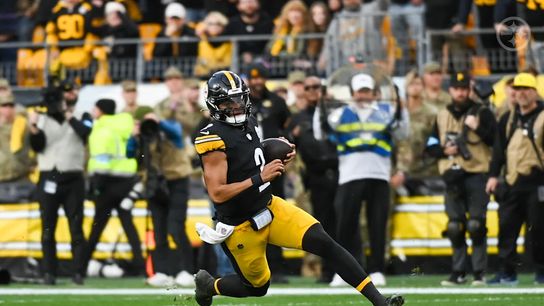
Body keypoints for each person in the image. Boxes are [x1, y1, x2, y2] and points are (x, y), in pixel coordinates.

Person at [192, 70, 404, 306]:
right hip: (242, 225)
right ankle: (209, 286)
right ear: (215, 104)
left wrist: (274, 151)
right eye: (228, 102)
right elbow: (217, 193)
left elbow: (245, 153)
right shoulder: (211, 138)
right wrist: (259, 178)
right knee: (256, 287)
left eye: (239, 99)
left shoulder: (250, 122)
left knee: (325, 242)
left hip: (269, 207)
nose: (236, 106)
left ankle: (380, 302)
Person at [322, 73, 409, 287]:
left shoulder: (387, 112)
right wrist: (320, 105)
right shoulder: (340, 113)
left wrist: (402, 106)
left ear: (374, 93)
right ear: (353, 94)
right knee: (345, 227)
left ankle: (377, 269)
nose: (363, 95)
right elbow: (320, 131)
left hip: (379, 175)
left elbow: (403, 133)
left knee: (378, 225)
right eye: (359, 91)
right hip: (349, 175)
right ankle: (343, 272)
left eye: (367, 91)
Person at [425, 71, 496, 286]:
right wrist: (444, 150)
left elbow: (496, 141)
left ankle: (479, 272)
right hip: (451, 174)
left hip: (477, 173)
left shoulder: (482, 112)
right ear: (451, 90)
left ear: (469, 90)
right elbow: (429, 146)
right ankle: (458, 271)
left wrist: (478, 127)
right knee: (455, 226)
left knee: (476, 224)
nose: (461, 92)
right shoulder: (441, 115)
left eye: (464, 88)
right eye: (457, 88)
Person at [28, 81, 92, 285]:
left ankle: (78, 272)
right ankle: (49, 272)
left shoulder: (83, 114)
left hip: (73, 177)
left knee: (76, 227)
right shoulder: (43, 117)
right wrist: (33, 127)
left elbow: (84, 132)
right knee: (48, 227)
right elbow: (38, 146)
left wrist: (67, 114)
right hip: (49, 176)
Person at [485, 73, 544, 285]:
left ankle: (541, 271)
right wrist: (493, 176)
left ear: (534, 92)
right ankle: (507, 272)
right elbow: (498, 152)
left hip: (537, 181)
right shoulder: (507, 118)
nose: (521, 93)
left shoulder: (543, 115)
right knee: (506, 229)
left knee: (539, 230)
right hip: (511, 181)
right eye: (517, 89)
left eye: (526, 89)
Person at [127, 106, 195, 287]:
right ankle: (162, 271)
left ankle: (187, 270)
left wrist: (158, 123)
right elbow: (129, 154)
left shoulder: (169, 128)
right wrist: (134, 135)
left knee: (175, 227)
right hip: (155, 184)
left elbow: (177, 136)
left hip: (176, 181)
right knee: (159, 231)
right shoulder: (143, 135)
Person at [85, 98, 145, 277]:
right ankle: (141, 266)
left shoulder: (101, 127)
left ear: (101, 110)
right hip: (127, 180)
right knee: (129, 225)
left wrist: (95, 187)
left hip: (107, 183)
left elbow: (102, 157)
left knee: (97, 227)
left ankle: (80, 267)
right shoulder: (125, 123)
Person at [289, 75, 341, 283]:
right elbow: (289, 147)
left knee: (346, 223)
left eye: (316, 87)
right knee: (323, 225)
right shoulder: (297, 118)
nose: (312, 91)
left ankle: (350, 268)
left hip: (340, 173)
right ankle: (328, 271)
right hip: (316, 177)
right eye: (308, 87)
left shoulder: (337, 113)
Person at [246, 63, 292, 283]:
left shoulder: (277, 102)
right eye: (253, 78)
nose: (257, 82)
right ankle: (255, 267)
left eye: (260, 77)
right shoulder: (241, 103)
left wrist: (285, 147)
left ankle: (278, 266)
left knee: (276, 213)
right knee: (253, 216)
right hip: (251, 168)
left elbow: (287, 129)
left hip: (274, 166)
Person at [393, 70, 439, 196]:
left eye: (418, 84)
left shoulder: (431, 113)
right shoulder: (399, 111)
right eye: (411, 84)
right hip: (398, 164)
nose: (415, 87)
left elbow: (435, 138)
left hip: (422, 166)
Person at [0, 94, 35, 203]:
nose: (8, 109)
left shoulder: (23, 124)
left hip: (21, 178)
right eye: (4, 106)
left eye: (11, 106)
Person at [194, 11, 232, 78]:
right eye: (210, 24)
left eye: (218, 24)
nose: (214, 26)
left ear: (223, 26)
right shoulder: (201, 38)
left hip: (224, 77)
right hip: (203, 76)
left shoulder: (229, 40)